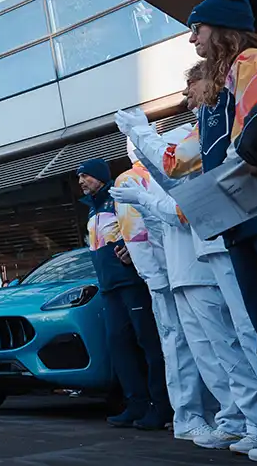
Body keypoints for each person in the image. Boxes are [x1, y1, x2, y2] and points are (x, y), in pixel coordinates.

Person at [120, 62, 257, 457]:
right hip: (208, 249)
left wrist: (141, 133)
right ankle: (249, 421)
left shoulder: (219, 121)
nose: (187, 95)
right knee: (226, 346)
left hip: (227, 241)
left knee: (250, 337)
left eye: (192, 85)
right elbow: (173, 183)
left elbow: (176, 176)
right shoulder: (202, 127)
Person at [111, 145, 199, 434]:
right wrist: (155, 276)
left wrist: (157, 276)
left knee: (184, 344)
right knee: (182, 344)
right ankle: (187, 415)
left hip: (175, 273)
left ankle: (190, 414)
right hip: (171, 275)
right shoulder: (138, 179)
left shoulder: (146, 177)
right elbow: (135, 234)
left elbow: (140, 232)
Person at [76, 158, 170, 428]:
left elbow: (143, 227)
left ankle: (162, 406)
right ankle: (136, 404)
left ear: (100, 176)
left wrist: (133, 249)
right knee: (119, 345)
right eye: (79, 177)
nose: (81, 181)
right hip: (108, 288)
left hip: (131, 283)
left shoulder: (119, 196)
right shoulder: (92, 210)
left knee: (148, 342)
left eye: (86, 176)